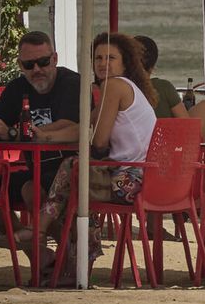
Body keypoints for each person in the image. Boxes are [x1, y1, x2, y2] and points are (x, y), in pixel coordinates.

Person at [27, 32, 159, 281]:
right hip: (147, 179)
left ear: (125, 63)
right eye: (98, 57)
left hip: (130, 181)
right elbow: (87, 128)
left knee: (73, 173)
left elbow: (98, 140)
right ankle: (73, 263)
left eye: (111, 57)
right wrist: (47, 136)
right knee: (76, 181)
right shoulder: (127, 88)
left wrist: (60, 138)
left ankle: (42, 234)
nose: (102, 63)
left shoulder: (114, 85)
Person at [0, 30, 82, 222]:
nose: (36, 70)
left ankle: (61, 251)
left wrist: (13, 133)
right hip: (36, 173)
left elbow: (68, 124)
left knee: (30, 189)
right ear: (20, 65)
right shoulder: (17, 88)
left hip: (73, 173)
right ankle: (29, 247)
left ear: (55, 59)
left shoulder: (72, 83)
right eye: (28, 64)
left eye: (43, 62)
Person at [135, 34, 205, 138]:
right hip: (164, 146)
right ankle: (194, 153)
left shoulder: (118, 87)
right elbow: (186, 124)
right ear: (153, 66)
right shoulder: (163, 87)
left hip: (135, 145)